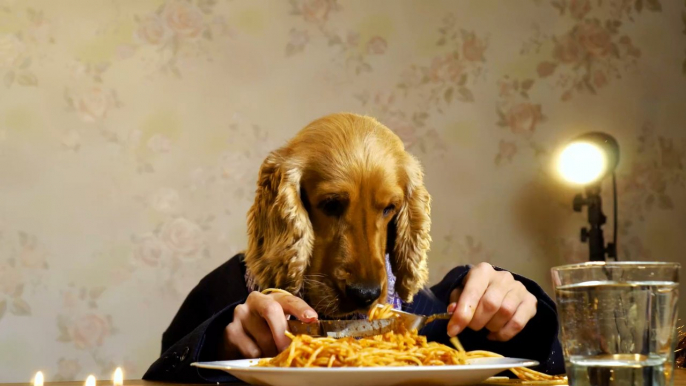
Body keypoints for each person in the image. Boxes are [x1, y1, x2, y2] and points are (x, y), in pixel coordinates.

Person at [142, 114, 565, 382]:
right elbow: (160, 375)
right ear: (293, 201)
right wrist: (221, 352)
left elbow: (550, 366)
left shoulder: (440, 316)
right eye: (332, 205)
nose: (367, 279)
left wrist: (516, 314)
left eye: (387, 209)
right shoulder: (222, 297)